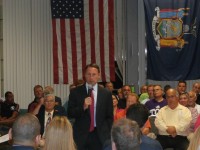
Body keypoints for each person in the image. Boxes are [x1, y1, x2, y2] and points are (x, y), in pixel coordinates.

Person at [67, 63, 113, 150]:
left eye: (94, 74)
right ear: (84, 75)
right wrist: (83, 107)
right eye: (88, 74)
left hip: (100, 135)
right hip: (81, 135)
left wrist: (106, 132)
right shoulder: (75, 92)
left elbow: (109, 116)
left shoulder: (106, 93)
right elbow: (70, 113)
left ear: (99, 75)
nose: (91, 77)